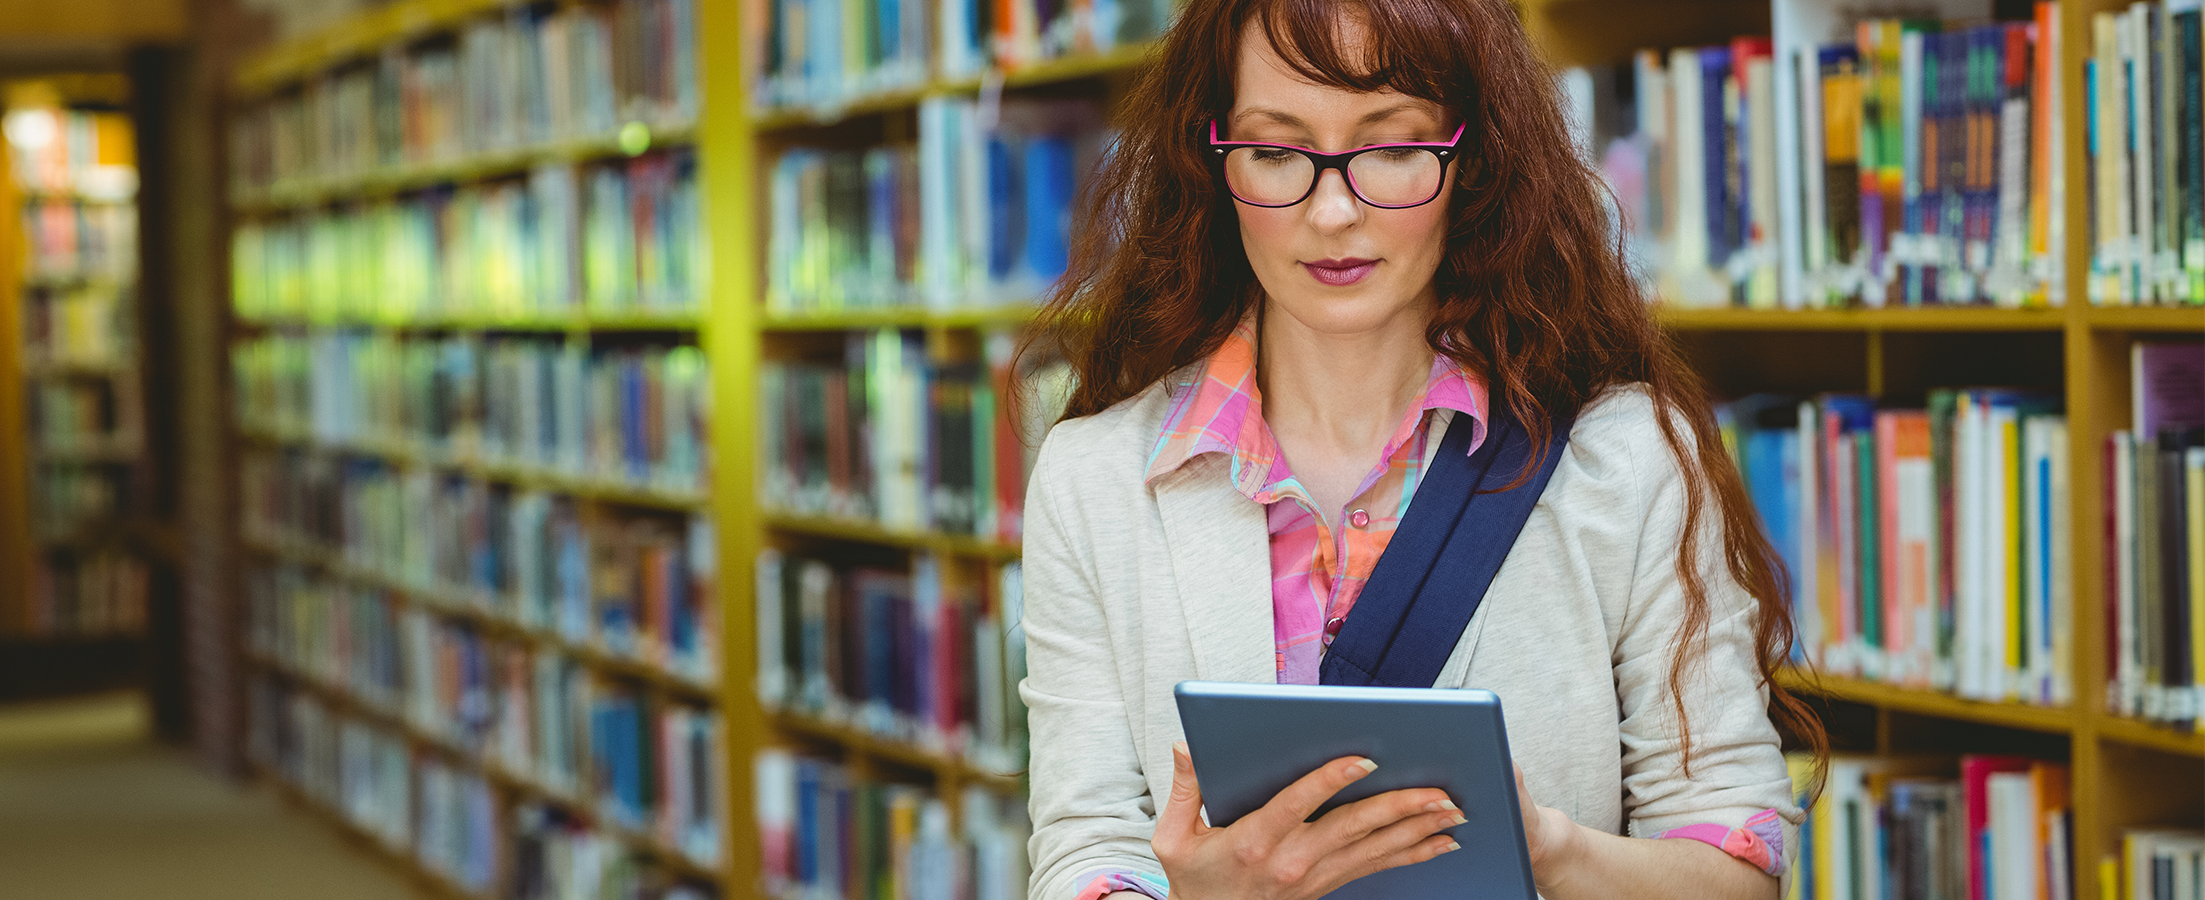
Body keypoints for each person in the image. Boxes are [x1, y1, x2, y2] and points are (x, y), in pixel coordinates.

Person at [1015, 0, 1828, 898]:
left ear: (1472, 164)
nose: (1330, 212)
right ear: (1212, 164)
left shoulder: (1628, 459)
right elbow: (1084, 845)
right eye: (1276, 152)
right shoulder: (1093, 479)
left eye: (1394, 149)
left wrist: (1549, 850)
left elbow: (1737, 867)